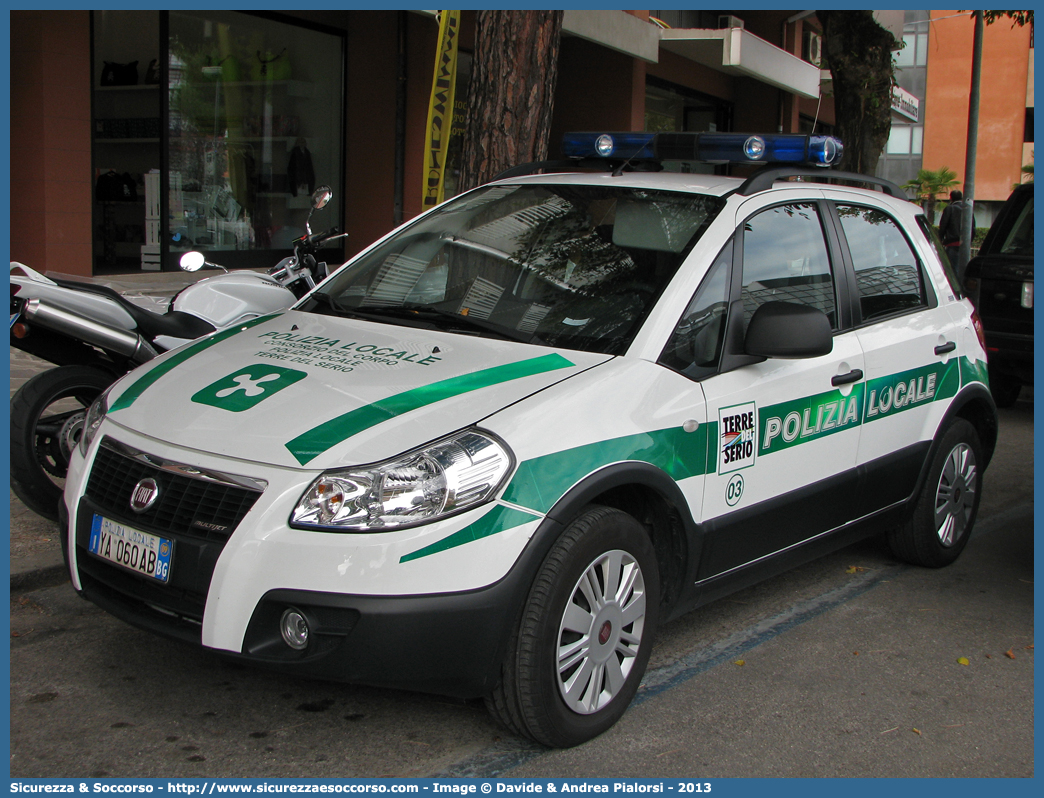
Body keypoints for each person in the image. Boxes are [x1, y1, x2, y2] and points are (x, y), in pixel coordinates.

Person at [938, 189, 965, 269]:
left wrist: (939, 239)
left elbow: (943, 225)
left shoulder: (949, 209)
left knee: (951, 270)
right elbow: (973, 228)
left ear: (951, 198)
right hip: (964, 245)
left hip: (951, 243)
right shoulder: (967, 209)